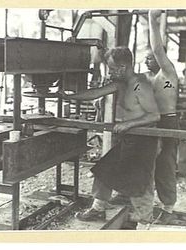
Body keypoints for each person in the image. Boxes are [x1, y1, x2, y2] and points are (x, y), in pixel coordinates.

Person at [58, 46, 160, 225]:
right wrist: (68, 97)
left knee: (139, 180)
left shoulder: (140, 84)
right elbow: (95, 93)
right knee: (104, 170)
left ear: (123, 68)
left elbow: (154, 115)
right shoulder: (120, 84)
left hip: (144, 140)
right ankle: (98, 209)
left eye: (112, 69)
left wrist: (128, 124)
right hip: (128, 138)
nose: (110, 73)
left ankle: (145, 218)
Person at [145, 10, 179, 223]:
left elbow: (157, 48)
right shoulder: (154, 78)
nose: (147, 61)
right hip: (155, 122)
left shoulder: (168, 72)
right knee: (150, 164)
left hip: (169, 121)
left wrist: (151, 18)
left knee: (166, 164)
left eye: (150, 58)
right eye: (146, 58)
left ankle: (168, 209)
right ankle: (149, 202)